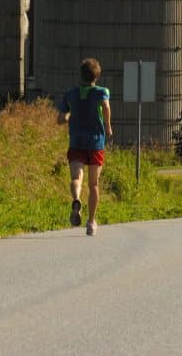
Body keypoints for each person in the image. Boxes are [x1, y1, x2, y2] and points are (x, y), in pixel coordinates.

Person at [57, 57, 113, 236]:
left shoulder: (70, 93)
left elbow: (61, 118)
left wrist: (67, 117)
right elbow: (105, 105)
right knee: (94, 184)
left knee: (76, 177)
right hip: (95, 143)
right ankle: (91, 222)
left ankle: (76, 200)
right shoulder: (101, 92)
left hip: (77, 142)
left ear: (80, 74)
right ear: (97, 75)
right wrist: (108, 125)